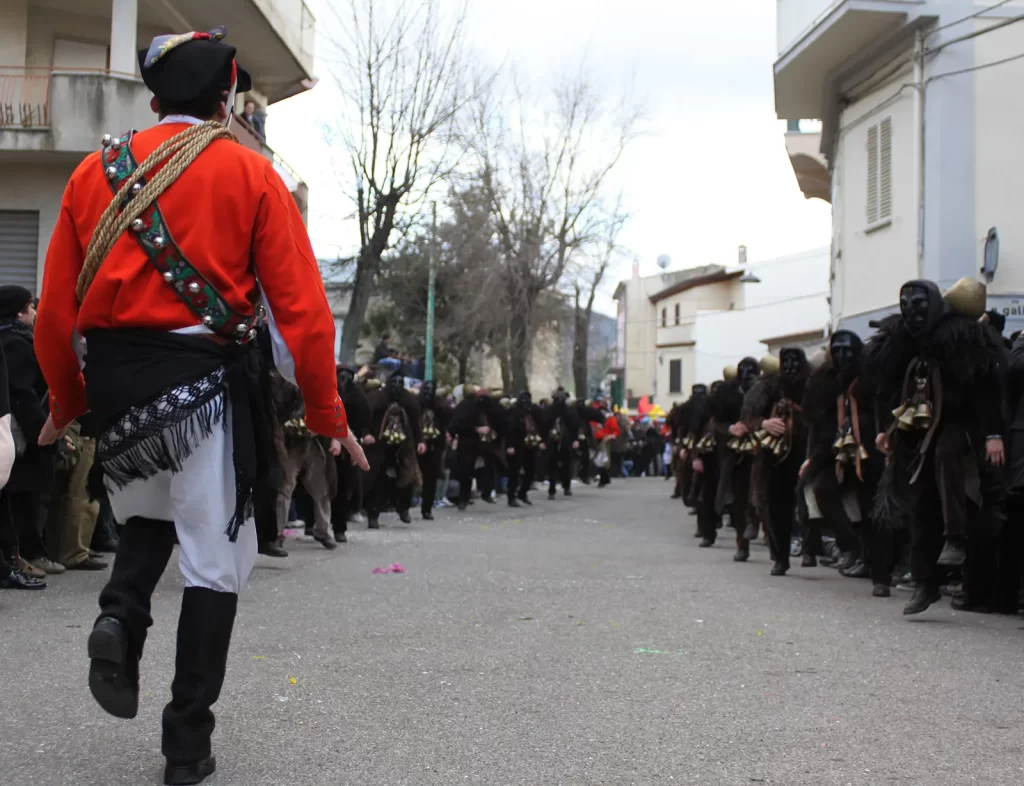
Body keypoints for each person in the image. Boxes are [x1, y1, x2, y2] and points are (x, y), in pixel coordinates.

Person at [33, 28, 367, 785]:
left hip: (119, 391)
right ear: (226, 101)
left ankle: (120, 614)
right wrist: (326, 416)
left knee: (150, 514)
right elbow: (304, 315)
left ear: (154, 98)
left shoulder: (94, 172)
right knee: (213, 565)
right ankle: (186, 744)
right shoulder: (250, 176)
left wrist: (66, 398)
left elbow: (57, 309)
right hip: (203, 388)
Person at [866, 278, 1005, 615]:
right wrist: (887, 430)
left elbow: (987, 387)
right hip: (916, 432)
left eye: (919, 303)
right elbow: (891, 388)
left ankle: (956, 540)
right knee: (920, 504)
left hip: (959, 425)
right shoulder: (901, 341)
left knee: (947, 456)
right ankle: (925, 583)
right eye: (905, 303)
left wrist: (993, 435)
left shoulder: (962, 336)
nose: (912, 311)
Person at [0, 286, 60, 577]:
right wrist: (44, 435)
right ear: (18, 312)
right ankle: (27, 554)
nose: (35, 312)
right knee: (26, 500)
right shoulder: (16, 344)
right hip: (21, 433)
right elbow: (23, 394)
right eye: (30, 307)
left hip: (15, 431)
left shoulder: (15, 339)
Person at [746, 348, 809, 577]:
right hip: (773, 457)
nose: (790, 366)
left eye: (795, 361)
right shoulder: (768, 386)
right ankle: (780, 557)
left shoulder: (811, 385)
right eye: (786, 361)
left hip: (805, 453)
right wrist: (764, 423)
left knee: (807, 505)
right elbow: (749, 415)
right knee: (775, 507)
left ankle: (810, 549)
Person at [270, 373, 338, 550]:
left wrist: (335, 437)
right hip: (291, 443)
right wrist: (291, 425)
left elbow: (332, 409)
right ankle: (276, 534)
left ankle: (323, 530)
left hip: (312, 443)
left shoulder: (319, 380)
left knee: (321, 489)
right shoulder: (283, 383)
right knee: (285, 488)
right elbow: (278, 413)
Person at [364, 373, 422, 528]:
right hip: (379, 446)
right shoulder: (376, 399)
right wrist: (366, 434)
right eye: (394, 382)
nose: (397, 385)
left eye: (400, 382)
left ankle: (403, 509)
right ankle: (373, 516)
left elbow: (416, 423)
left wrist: (420, 441)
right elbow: (365, 419)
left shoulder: (409, 401)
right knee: (376, 480)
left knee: (407, 477)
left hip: (403, 446)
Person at [716, 358, 760, 562]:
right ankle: (742, 544)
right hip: (736, 453)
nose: (747, 373)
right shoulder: (726, 393)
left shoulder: (767, 390)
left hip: (762, 450)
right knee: (740, 500)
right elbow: (717, 421)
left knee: (763, 497)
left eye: (752, 370)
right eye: (743, 370)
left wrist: (758, 425)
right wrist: (731, 429)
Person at [417, 380, 451, 519]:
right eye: (426, 390)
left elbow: (448, 419)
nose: (428, 393)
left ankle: (427, 508)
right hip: (417, 444)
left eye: (431, 391)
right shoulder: (416, 404)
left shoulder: (440, 408)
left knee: (431, 478)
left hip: (435, 446)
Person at [505, 390, 543, 506]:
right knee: (514, 472)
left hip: (531, 444)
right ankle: (511, 497)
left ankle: (523, 492)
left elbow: (539, 424)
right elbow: (509, 429)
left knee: (531, 471)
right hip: (517, 444)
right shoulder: (513, 412)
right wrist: (510, 445)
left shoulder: (532, 411)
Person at [542, 391, 580, 499]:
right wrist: (543, 441)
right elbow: (543, 426)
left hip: (565, 441)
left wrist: (575, 439)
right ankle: (552, 489)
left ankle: (566, 486)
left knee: (566, 465)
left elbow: (575, 426)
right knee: (552, 466)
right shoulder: (549, 411)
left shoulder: (569, 411)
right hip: (552, 441)